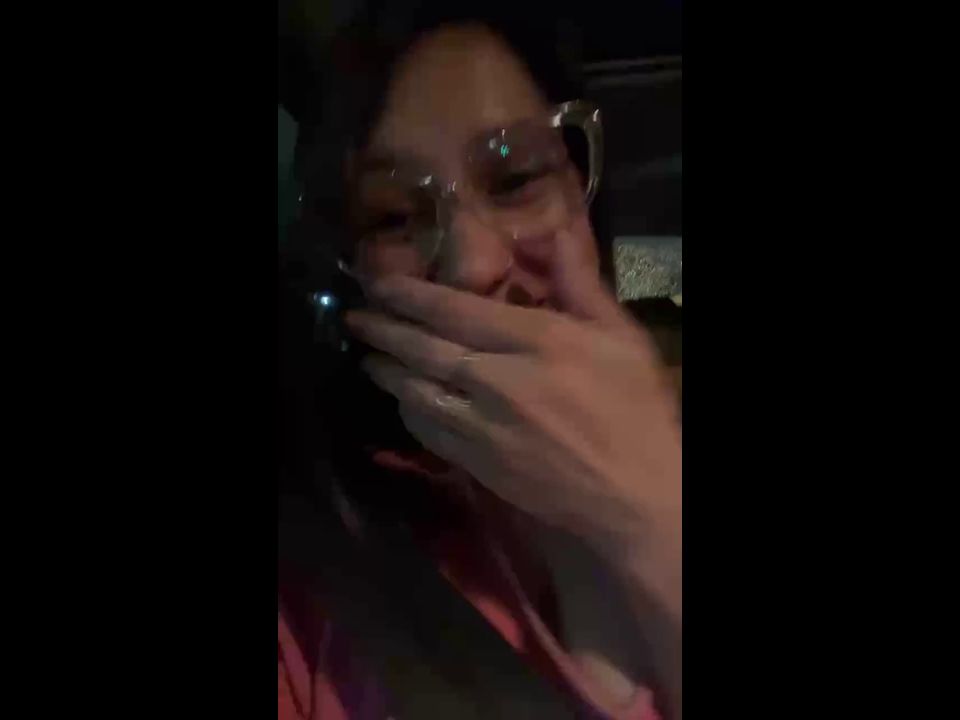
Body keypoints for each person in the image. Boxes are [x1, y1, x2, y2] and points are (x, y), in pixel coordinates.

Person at [279, 5, 682, 719]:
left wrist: (650, 515)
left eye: (517, 177)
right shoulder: (312, 564)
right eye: (393, 217)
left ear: (583, 193)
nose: (472, 267)